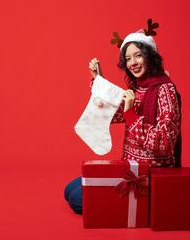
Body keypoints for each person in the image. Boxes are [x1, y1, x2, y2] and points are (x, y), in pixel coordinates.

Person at [64, 30, 182, 215]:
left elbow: (164, 144)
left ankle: (129, 206)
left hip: (148, 174)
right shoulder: (138, 88)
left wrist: (131, 114)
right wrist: (99, 81)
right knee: (69, 191)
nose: (133, 63)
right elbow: (113, 114)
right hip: (128, 166)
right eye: (128, 58)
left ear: (150, 56)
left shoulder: (165, 90)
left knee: (77, 199)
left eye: (138, 55)